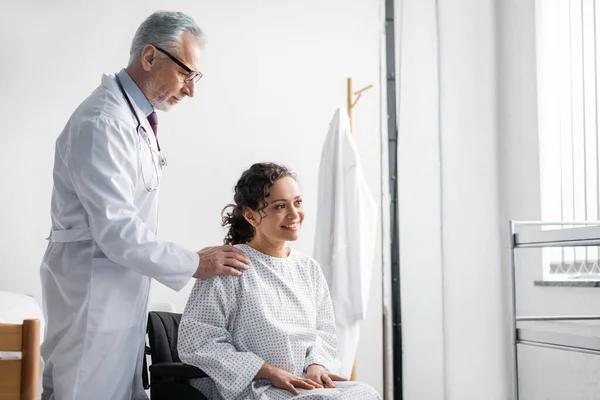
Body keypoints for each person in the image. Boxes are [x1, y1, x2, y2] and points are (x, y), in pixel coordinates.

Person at [40, 11, 250, 400]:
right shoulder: (103, 122)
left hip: (115, 292)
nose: (190, 90)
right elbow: (116, 230)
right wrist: (194, 263)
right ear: (150, 57)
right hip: (93, 296)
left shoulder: (132, 118)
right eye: (187, 74)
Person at [177, 162, 381, 399]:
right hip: (253, 386)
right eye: (280, 206)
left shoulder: (308, 269)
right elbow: (197, 342)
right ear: (251, 216)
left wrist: (317, 365)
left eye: (298, 202)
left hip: (303, 384)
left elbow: (324, 332)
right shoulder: (227, 265)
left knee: (365, 393)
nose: (294, 215)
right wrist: (267, 371)